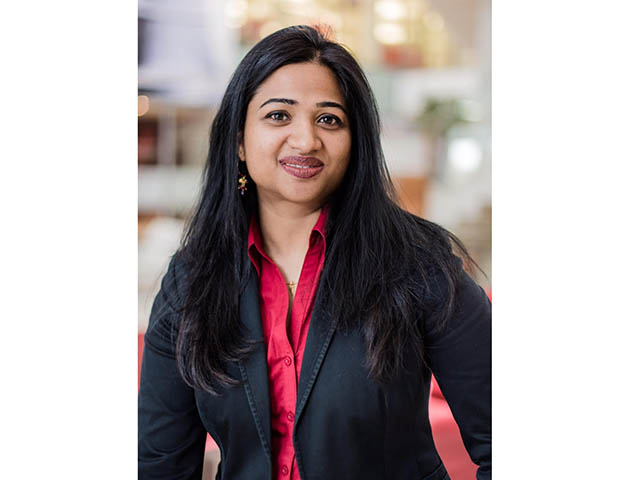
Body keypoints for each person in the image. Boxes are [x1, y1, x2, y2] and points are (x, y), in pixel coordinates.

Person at [138, 25, 491, 480]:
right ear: (239, 141)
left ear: (356, 141)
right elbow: (161, 464)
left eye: (329, 120)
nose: (305, 140)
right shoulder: (192, 280)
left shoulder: (418, 264)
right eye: (278, 116)